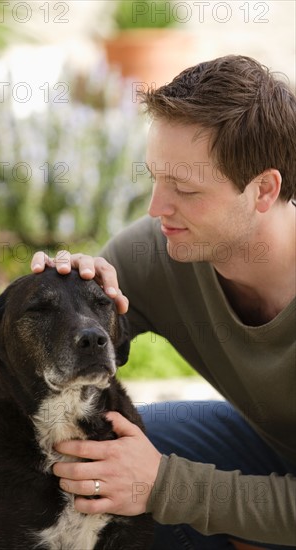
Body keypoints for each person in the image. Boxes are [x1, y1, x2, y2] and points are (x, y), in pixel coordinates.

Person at [31, 55, 296, 549]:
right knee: (107, 454)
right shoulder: (161, 248)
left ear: (264, 190)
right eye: (155, 178)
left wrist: (166, 486)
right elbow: (44, 360)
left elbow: (168, 486)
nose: (157, 209)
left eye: (186, 189)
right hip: (272, 450)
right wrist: (72, 298)